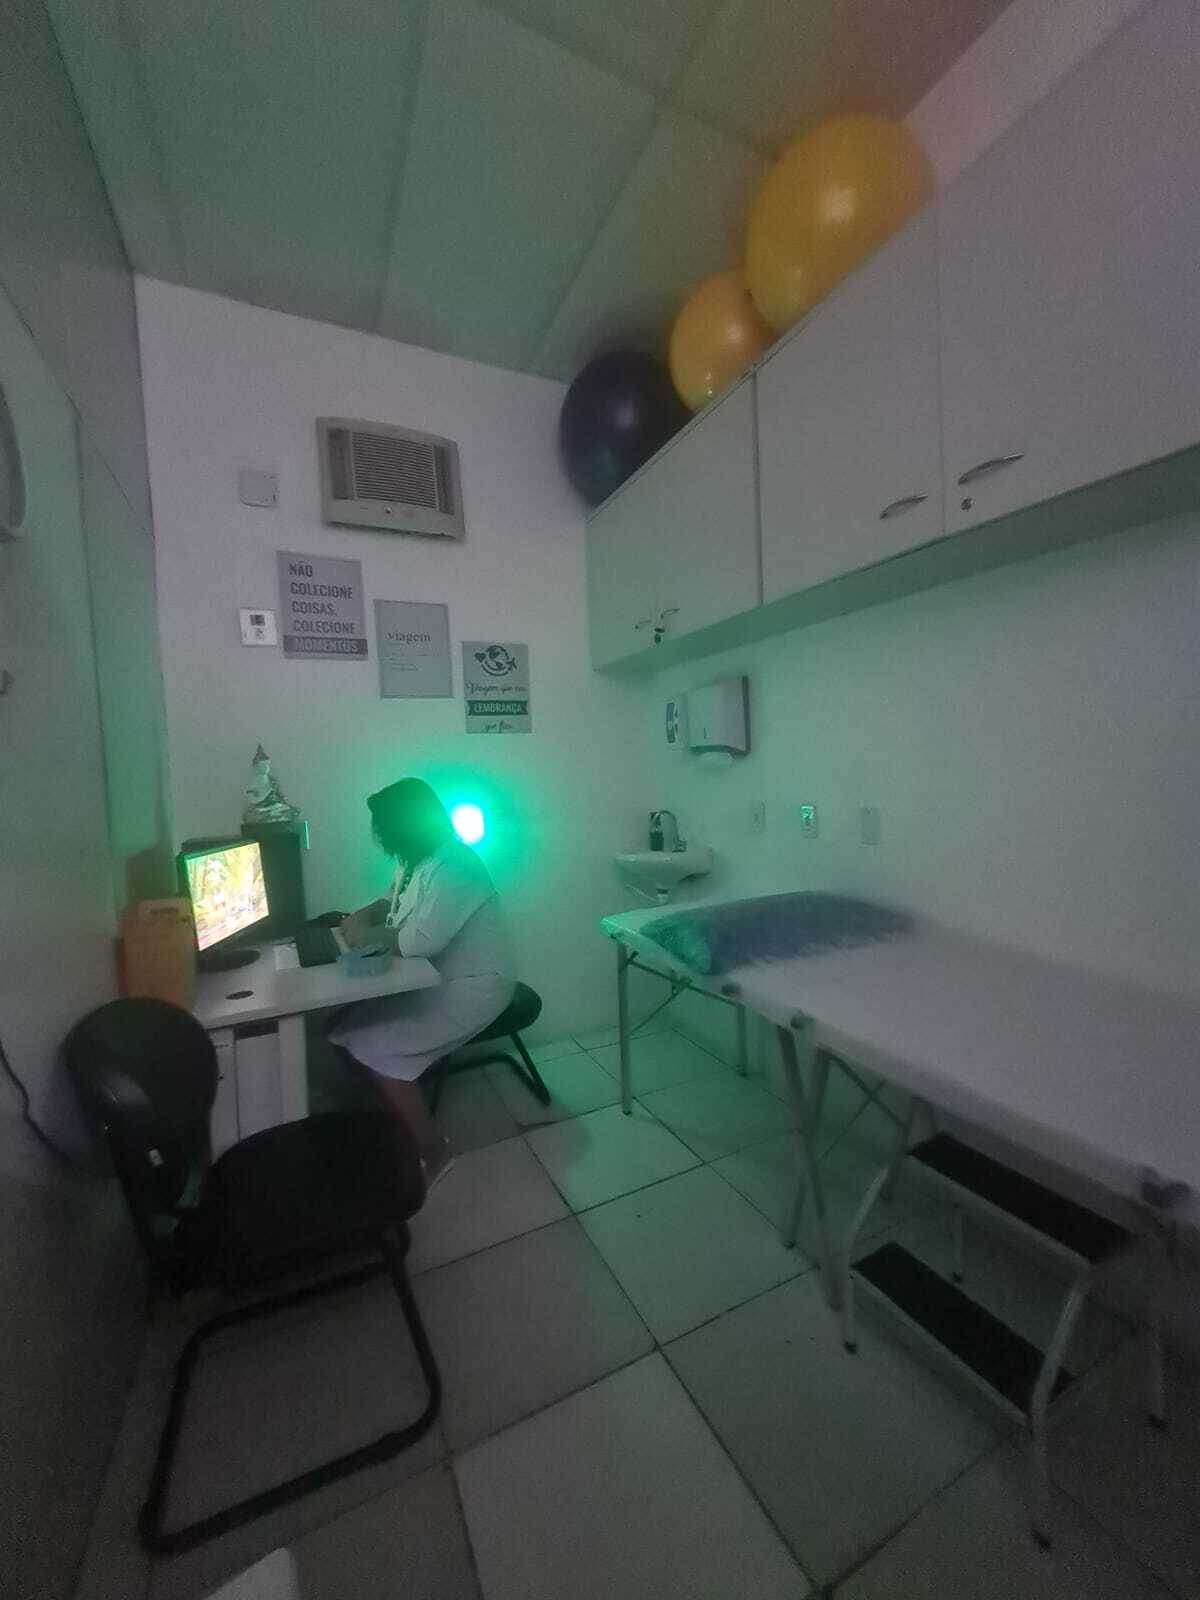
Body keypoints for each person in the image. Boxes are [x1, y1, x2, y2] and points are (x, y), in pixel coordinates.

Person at [330, 778, 515, 1185]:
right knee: (343, 1029)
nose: (380, 840)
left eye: (384, 830)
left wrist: (364, 935)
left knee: (379, 1052)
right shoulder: (415, 859)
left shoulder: (457, 866)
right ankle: (386, 1126)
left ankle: (434, 1152)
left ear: (405, 826)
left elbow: (419, 942)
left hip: (473, 988)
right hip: (429, 978)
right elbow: (390, 897)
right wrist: (363, 915)